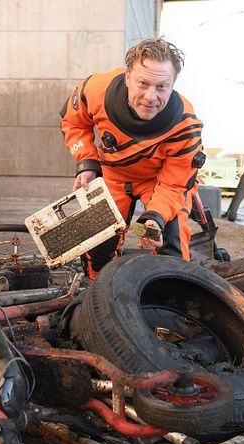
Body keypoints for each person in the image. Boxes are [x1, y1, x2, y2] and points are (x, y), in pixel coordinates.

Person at [60, 37, 205, 280]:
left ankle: (170, 298)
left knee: (169, 240)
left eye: (161, 87)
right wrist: (87, 162)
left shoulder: (185, 126)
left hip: (158, 184)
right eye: (143, 83)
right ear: (128, 77)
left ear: (173, 85)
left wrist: (154, 218)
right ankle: (100, 290)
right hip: (114, 177)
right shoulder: (96, 90)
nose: (150, 97)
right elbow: (73, 120)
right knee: (99, 246)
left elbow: (175, 184)